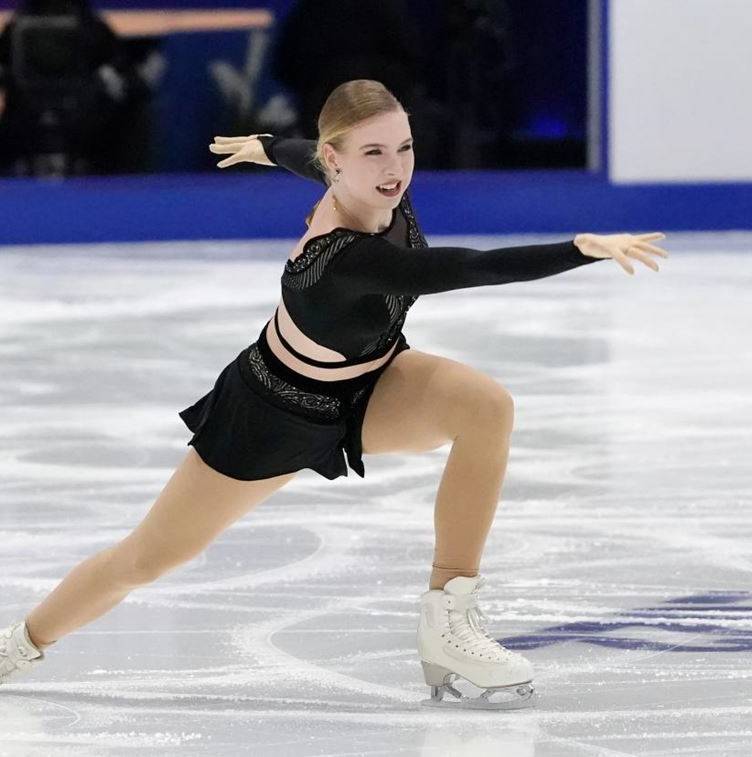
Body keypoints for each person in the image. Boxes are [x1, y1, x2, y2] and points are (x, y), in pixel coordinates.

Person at [0, 79, 668, 709]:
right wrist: (579, 247)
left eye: (403, 146)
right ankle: (21, 643)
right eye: (374, 151)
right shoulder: (343, 257)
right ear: (337, 160)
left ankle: (449, 620)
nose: (394, 166)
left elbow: (299, 154)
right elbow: (464, 267)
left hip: (367, 384)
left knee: (484, 406)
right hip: (270, 416)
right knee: (145, 558)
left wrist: (263, 146)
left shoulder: (363, 184)